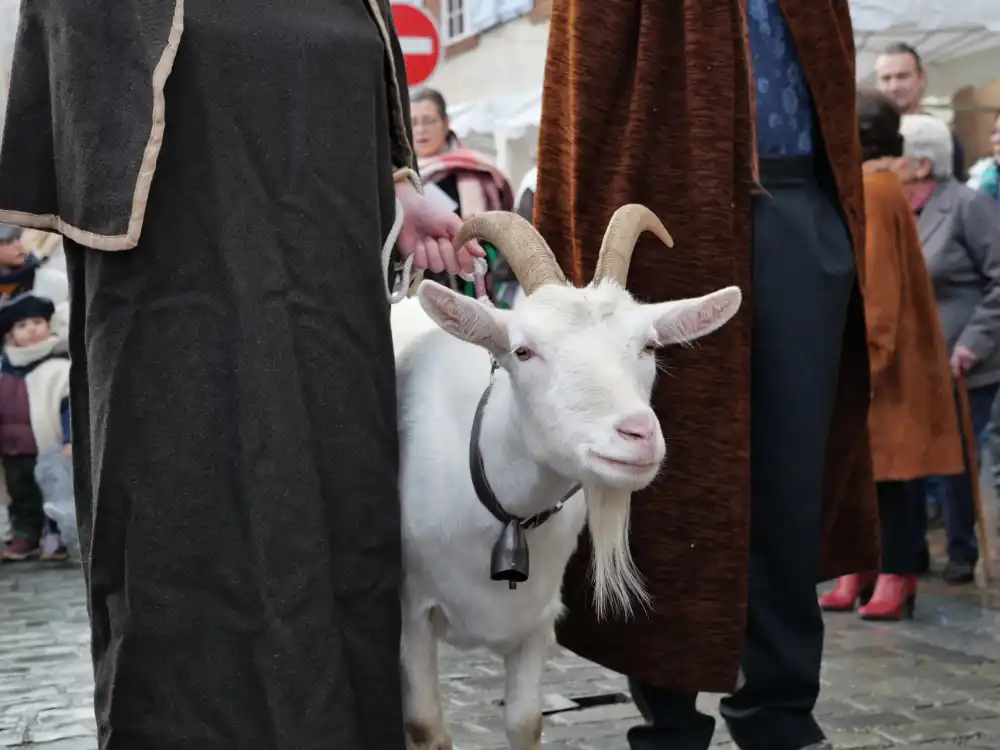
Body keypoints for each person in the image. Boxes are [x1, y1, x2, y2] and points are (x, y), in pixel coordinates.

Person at [0, 2, 481, 748]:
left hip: (330, 307)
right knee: (185, 545)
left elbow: (359, 90)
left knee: (337, 532)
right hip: (172, 312)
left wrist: (401, 184)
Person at [533, 1, 877, 749]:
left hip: (797, 208)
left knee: (790, 479)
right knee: (666, 478)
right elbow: (583, 109)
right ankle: (668, 714)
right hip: (663, 218)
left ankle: (781, 709)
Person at [819, 90, 963, 620]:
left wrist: (867, 365)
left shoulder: (875, 190)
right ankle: (864, 568)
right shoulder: (873, 186)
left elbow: (878, 292)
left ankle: (895, 574)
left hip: (887, 367)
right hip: (880, 360)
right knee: (868, 473)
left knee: (893, 477)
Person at [898, 113, 1000, 585]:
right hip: (913, 365)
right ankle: (911, 549)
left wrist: (971, 344)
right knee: (915, 459)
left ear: (921, 163)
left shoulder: (969, 205)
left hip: (964, 362)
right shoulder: (898, 208)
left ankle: (963, 550)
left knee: (958, 458)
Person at [410, 87, 517, 306]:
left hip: (475, 282)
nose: (421, 130)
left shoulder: (478, 170)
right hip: (419, 286)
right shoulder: (401, 179)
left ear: (445, 122)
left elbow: (501, 230)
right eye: (413, 122)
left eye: (428, 121)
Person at [0, 292, 72, 562]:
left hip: (47, 446)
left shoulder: (59, 368)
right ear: (10, 336)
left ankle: (57, 536)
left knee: (55, 493)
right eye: (21, 326)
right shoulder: (4, 370)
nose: (30, 329)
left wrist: (70, 439)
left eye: (36, 322)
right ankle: (26, 536)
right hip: (12, 449)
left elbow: (70, 407)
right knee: (21, 495)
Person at [875, 42, 968, 182]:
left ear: (921, 78)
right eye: (886, 78)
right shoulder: (870, 137)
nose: (894, 86)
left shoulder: (943, 136)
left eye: (902, 76)